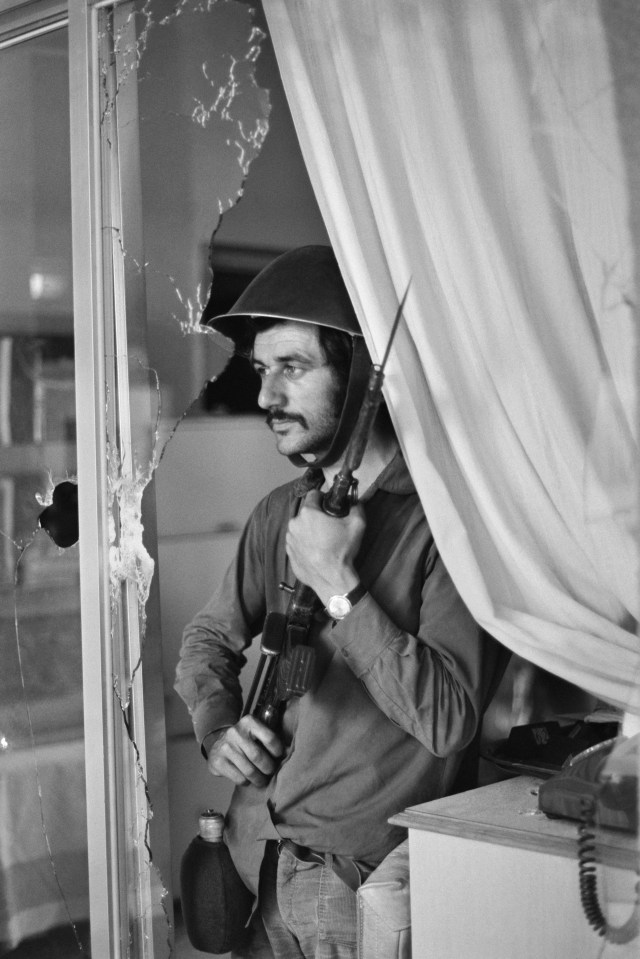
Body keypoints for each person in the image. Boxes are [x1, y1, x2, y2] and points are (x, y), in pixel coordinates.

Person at [175, 245, 506, 959]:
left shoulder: (447, 524)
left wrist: (338, 585)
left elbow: (448, 720)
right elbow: (205, 640)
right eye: (262, 371)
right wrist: (216, 725)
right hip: (253, 859)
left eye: (292, 368)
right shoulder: (279, 513)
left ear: (360, 375)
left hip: (354, 887)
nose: (266, 398)